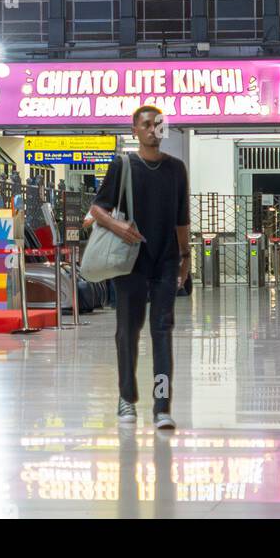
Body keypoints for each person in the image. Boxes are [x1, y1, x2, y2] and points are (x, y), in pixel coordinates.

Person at [90, 105, 190, 430]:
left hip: (165, 261)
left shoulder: (177, 169)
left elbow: (181, 219)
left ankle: (162, 406)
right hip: (130, 262)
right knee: (127, 332)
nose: (152, 130)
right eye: (146, 125)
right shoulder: (123, 165)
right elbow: (97, 208)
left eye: (158, 125)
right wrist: (119, 228)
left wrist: (186, 258)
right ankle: (126, 397)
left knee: (162, 332)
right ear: (135, 130)